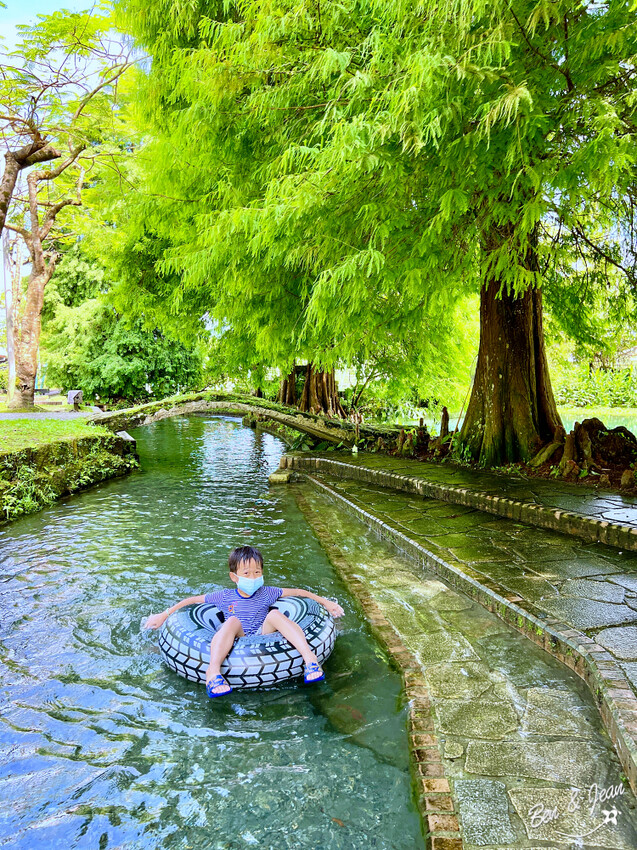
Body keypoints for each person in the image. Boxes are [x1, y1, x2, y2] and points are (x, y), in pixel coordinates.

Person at [144, 545, 345, 697]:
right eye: (246, 573)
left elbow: (299, 592)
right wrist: (164, 615)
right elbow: (192, 601)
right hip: (237, 635)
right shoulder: (224, 596)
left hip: (262, 634)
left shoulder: (268, 593)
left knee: (274, 615)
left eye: (257, 572)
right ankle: (212, 672)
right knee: (231, 621)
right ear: (234, 576)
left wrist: (326, 602)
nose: (253, 577)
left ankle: (310, 660)